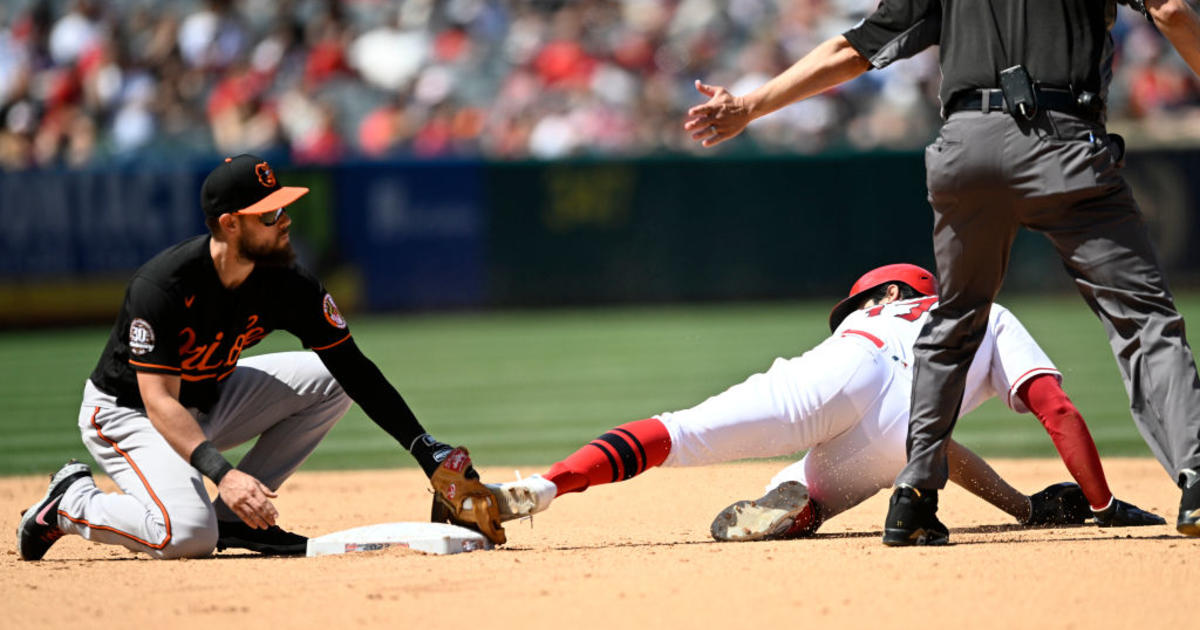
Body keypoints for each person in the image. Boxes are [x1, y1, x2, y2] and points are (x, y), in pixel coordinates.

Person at [683, 0, 1200, 544]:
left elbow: (853, 49)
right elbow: (1169, 9)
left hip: (966, 146)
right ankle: (1197, 478)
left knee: (954, 322)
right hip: (1063, 138)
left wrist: (749, 105)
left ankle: (913, 499)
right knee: (1144, 322)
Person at [481, 264, 1162, 540]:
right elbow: (1057, 411)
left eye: (858, 300)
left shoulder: (872, 321)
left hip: (838, 371)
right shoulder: (990, 315)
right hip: (904, 433)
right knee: (886, 457)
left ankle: (542, 488)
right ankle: (799, 497)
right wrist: (1067, 506)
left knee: (677, 433)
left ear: (889, 295)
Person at [17, 154, 478, 561]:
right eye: (269, 212)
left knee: (333, 379)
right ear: (230, 223)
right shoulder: (163, 287)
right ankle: (72, 503)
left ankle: (237, 523)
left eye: (283, 207)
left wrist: (424, 448)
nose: (285, 220)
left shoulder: (287, 282)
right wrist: (225, 474)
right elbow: (158, 402)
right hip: (130, 415)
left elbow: (353, 367)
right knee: (188, 535)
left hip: (208, 400)